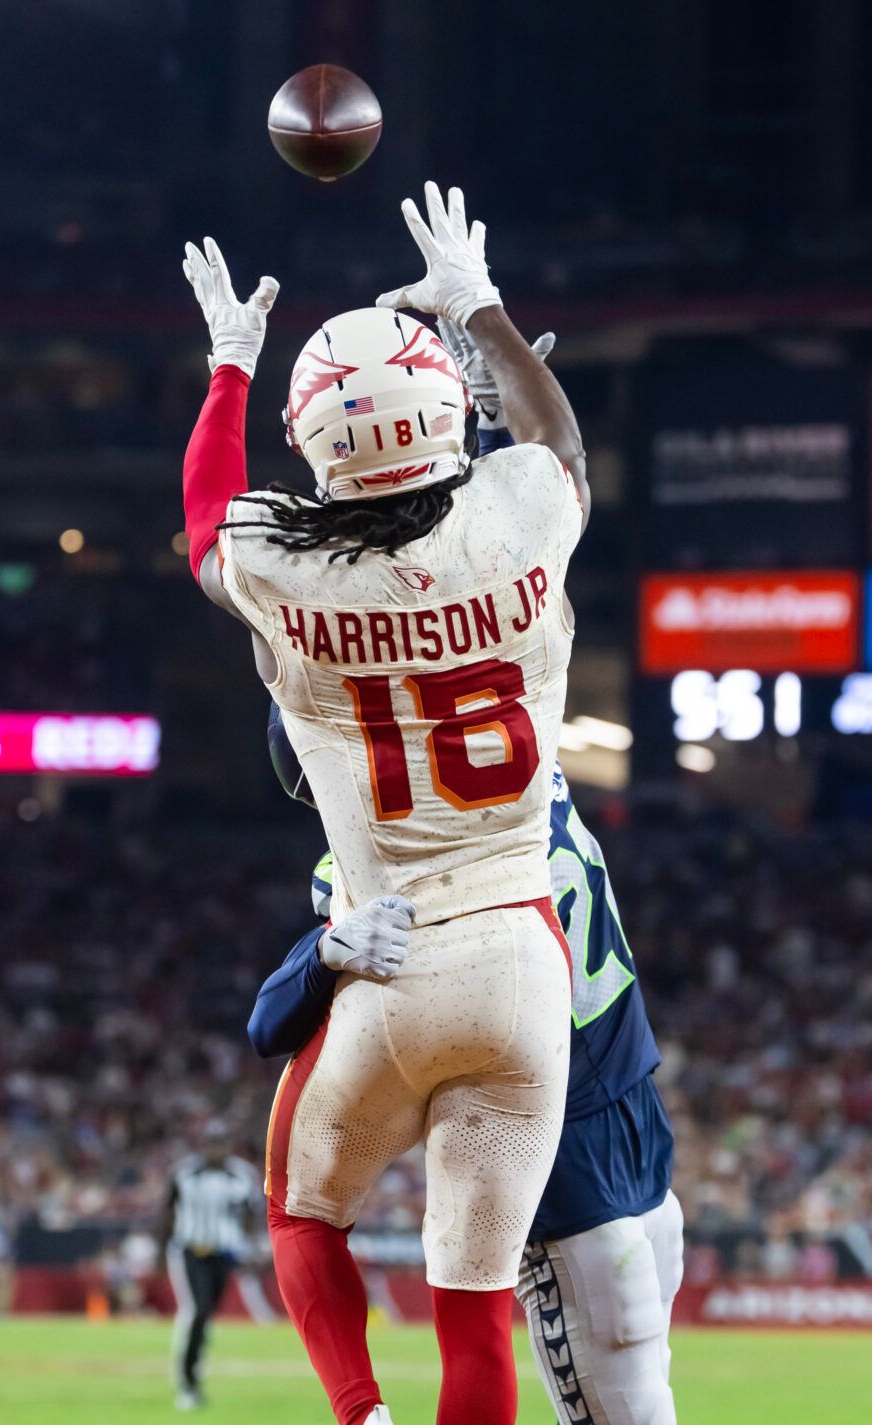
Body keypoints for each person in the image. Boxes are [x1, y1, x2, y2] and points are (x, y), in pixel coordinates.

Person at [179, 180, 589, 1425]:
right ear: (448, 427)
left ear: (319, 443)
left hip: (390, 951)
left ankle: (360, 1415)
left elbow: (207, 518)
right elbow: (554, 447)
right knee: (477, 1307)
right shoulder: (519, 521)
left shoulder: (287, 568)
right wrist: (482, 309)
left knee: (302, 1212)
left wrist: (229, 368)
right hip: (524, 953)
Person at [253, 735, 682, 1423]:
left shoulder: (382, 863)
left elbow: (268, 1025)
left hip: (578, 1120)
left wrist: (320, 954)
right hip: (602, 1107)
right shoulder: (532, 762)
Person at [160, 1129, 258, 1411]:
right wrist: (159, 1253)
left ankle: (195, 1361)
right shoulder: (185, 1173)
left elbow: (249, 1215)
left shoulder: (242, 1175)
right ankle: (187, 1381)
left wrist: (249, 1250)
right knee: (197, 1311)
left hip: (224, 1253)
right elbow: (167, 1212)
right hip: (191, 1251)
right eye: (212, 1144)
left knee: (206, 1314)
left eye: (222, 1144)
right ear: (202, 1146)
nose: (217, 1151)